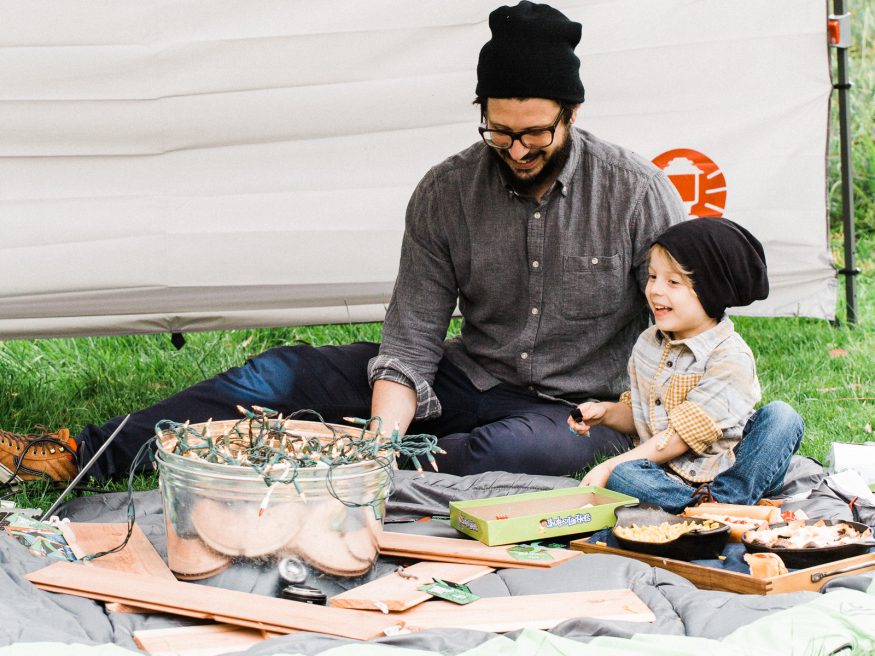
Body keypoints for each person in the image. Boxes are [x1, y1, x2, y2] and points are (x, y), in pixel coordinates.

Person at [0, 1, 687, 484]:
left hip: (579, 410)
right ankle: (83, 453)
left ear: (571, 113)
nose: (516, 148)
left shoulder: (636, 191)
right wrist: (386, 430)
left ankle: (339, 464)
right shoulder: (445, 192)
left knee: (521, 455)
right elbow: (412, 335)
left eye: (534, 132)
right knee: (277, 375)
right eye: (499, 131)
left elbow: (683, 335)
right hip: (465, 378)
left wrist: (644, 421)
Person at [568, 218, 804, 512]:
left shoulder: (730, 357)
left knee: (782, 417)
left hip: (733, 467)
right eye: (653, 276)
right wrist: (605, 412)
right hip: (668, 476)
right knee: (625, 476)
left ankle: (726, 500)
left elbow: (681, 437)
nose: (655, 290)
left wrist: (607, 466)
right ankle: (705, 509)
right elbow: (641, 414)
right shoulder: (648, 343)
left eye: (673, 282)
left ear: (711, 290)